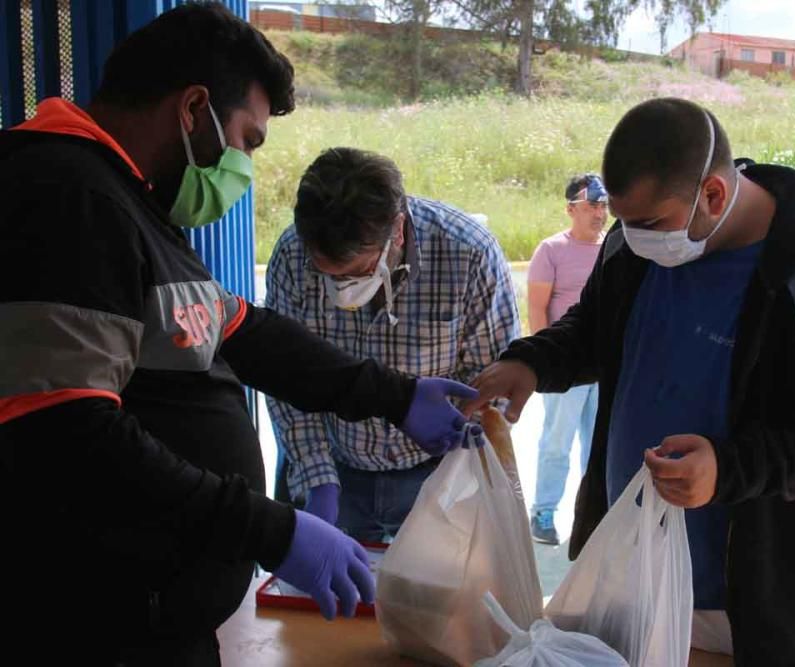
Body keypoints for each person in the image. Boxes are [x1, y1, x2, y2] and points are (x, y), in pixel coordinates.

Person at [0, 4, 478, 664]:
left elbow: (250, 334)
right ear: (194, 108)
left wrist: (395, 396)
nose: (245, 165)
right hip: (94, 629)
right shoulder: (66, 197)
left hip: (159, 621)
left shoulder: (130, 204)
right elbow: (71, 435)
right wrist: (270, 526)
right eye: (248, 138)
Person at [465, 97, 795, 665]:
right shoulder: (635, 243)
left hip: (745, 608)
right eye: (622, 221)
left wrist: (730, 469)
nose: (631, 236)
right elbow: (597, 329)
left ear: (714, 194)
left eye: (649, 224)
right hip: (623, 575)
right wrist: (532, 362)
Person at [265, 147, 519, 542]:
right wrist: (318, 479)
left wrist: (459, 465)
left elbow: (493, 380)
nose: (342, 288)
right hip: (336, 465)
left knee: (428, 599)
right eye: (327, 274)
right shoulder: (292, 254)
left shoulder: (468, 253)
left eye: (358, 272)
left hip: (434, 475)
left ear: (397, 230)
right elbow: (286, 376)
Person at [525, 173, 607, 544]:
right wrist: (544, 364)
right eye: (592, 205)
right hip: (566, 366)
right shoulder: (552, 250)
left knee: (598, 445)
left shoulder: (614, 249)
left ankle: (591, 517)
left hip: (604, 367)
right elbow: (538, 308)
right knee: (557, 442)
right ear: (571, 208)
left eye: (604, 205)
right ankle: (543, 513)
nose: (599, 213)